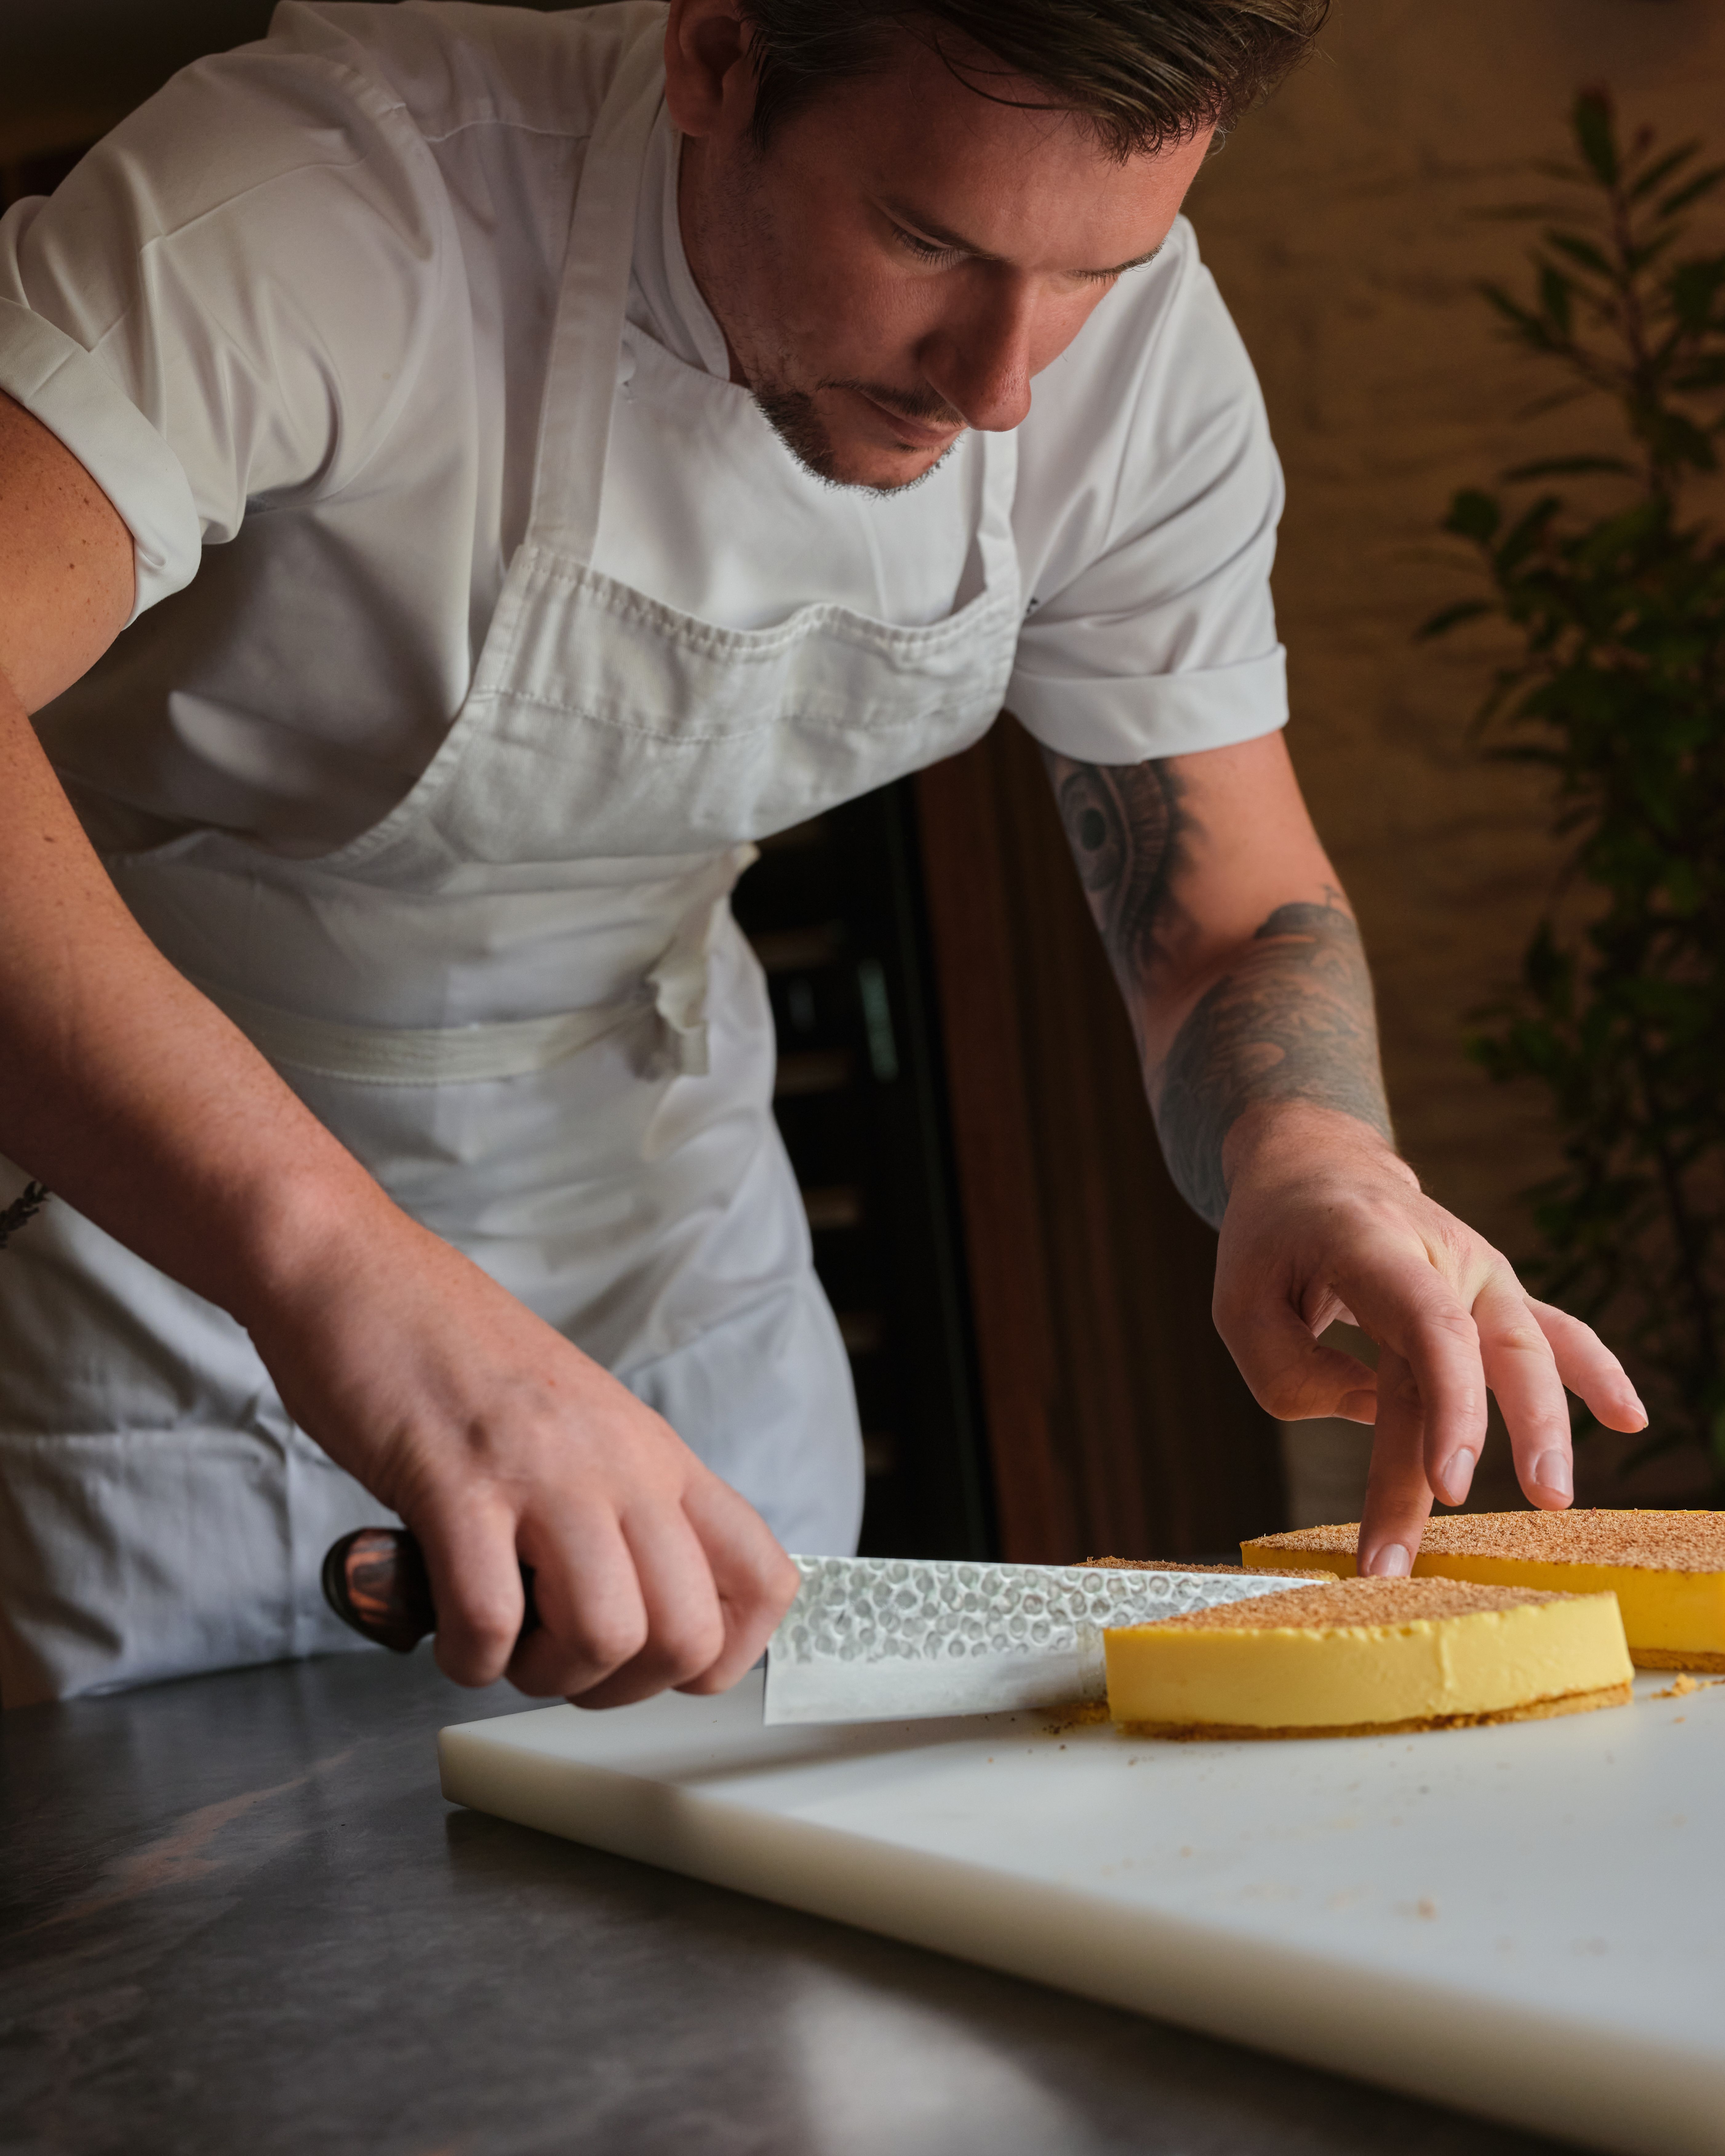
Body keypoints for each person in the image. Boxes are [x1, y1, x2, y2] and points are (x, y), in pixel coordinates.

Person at [0, 0, 1646, 1711]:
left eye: (1093, 272)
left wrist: (1313, 1155)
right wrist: (346, 1277)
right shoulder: (314, 204)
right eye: (928, 240)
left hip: (672, 1247)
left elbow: (1226, 914)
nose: (1001, 385)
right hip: (149, 1253)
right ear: (718, 56)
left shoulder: (1139, 369)